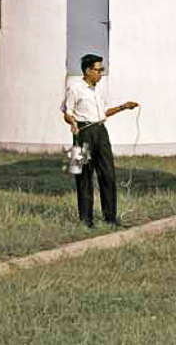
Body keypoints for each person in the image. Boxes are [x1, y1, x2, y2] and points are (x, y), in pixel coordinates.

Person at [62, 53, 138, 228]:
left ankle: (110, 218)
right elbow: (67, 112)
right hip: (82, 133)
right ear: (88, 70)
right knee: (83, 177)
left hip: (101, 133)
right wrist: (72, 123)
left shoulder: (99, 89)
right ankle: (86, 221)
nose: (101, 73)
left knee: (108, 175)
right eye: (98, 69)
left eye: (102, 69)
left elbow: (103, 113)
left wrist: (123, 107)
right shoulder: (74, 88)